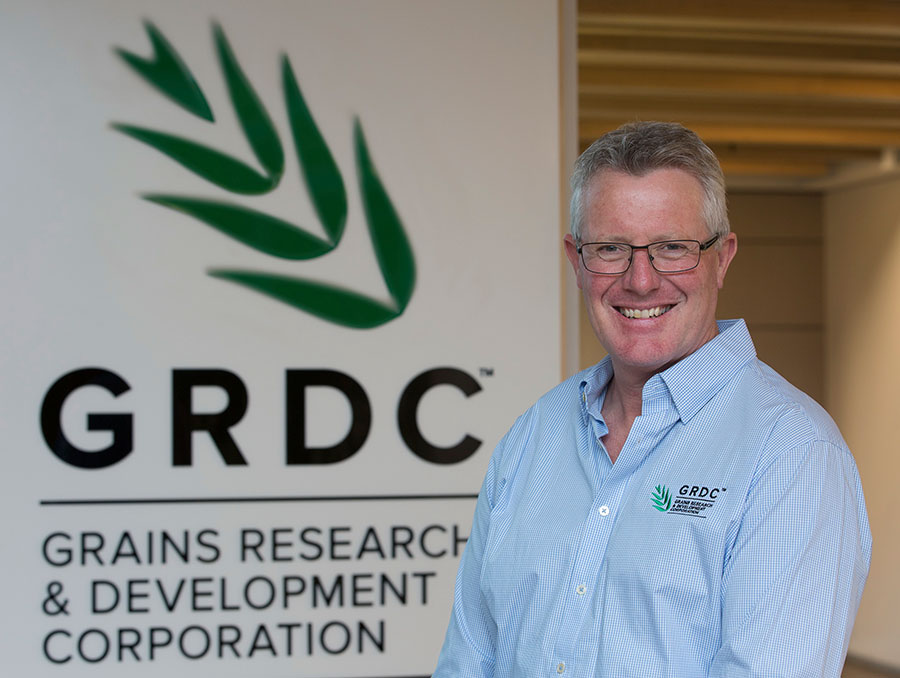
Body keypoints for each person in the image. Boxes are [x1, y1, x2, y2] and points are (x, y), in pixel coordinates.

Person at [433, 121, 871, 677]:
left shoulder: (790, 454)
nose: (641, 281)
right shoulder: (532, 437)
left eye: (672, 248)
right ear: (576, 260)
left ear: (723, 258)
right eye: (611, 248)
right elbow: (468, 660)